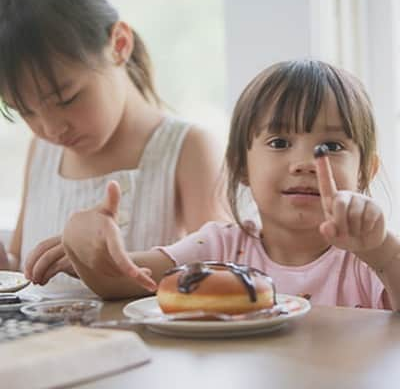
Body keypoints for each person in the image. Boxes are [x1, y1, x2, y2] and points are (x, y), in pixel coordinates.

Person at [62, 59, 400, 309]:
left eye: (331, 147)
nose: (304, 164)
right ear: (240, 166)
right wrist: (83, 242)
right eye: (280, 142)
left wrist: (381, 251)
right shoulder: (219, 249)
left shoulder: (367, 258)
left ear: (365, 171)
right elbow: (121, 280)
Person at [0, 0, 226, 297]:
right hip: (47, 344)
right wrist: (6, 262)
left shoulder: (187, 148)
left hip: (142, 345)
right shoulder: (41, 151)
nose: (52, 129)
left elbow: (222, 271)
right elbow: (19, 267)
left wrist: (101, 266)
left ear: (119, 44)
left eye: (67, 99)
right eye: (25, 111)